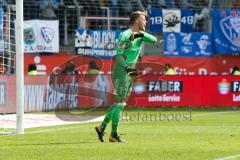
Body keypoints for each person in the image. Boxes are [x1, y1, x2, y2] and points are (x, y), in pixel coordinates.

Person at [95, 11, 157, 142]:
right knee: (120, 104)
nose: (146, 21)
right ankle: (113, 135)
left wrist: (140, 34)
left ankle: (102, 126)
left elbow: (155, 40)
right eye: (143, 19)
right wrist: (127, 69)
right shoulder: (124, 35)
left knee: (120, 103)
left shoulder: (140, 35)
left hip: (130, 72)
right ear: (137, 21)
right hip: (122, 71)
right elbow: (118, 55)